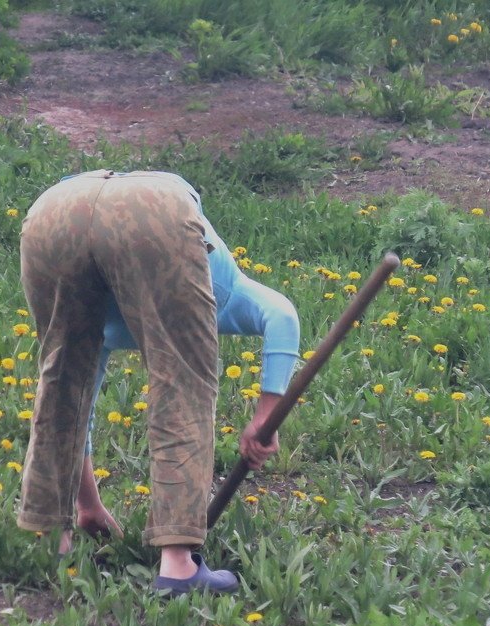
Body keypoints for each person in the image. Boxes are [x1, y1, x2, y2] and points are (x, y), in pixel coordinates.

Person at [16, 170, 300, 595]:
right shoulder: (227, 290)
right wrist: (264, 415)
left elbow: (79, 411)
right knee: (182, 381)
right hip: (153, 208)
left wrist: (87, 505)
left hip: (56, 209)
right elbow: (281, 315)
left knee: (61, 386)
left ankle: (49, 542)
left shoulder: (104, 324)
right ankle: (178, 567)